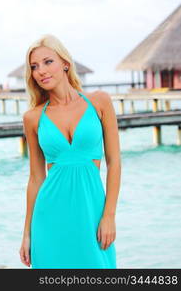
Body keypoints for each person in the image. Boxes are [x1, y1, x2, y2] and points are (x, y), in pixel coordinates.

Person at [19, 34, 120, 268]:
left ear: (65, 63)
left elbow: (114, 163)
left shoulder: (99, 102)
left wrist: (109, 216)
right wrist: (27, 234)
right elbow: (36, 178)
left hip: (92, 211)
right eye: (34, 67)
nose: (41, 71)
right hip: (49, 216)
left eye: (48, 62)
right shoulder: (33, 117)